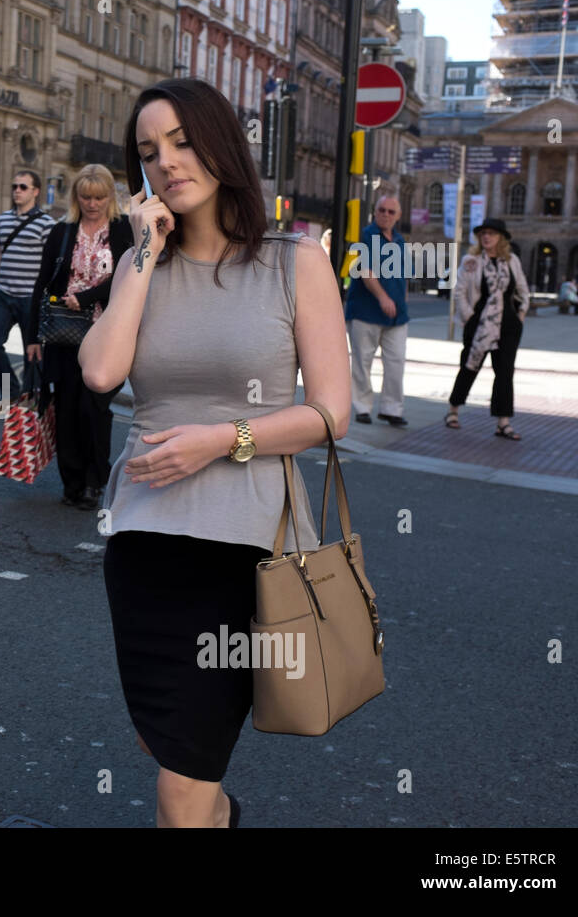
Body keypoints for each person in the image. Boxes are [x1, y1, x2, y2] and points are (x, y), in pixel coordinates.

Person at [79, 78, 350, 828]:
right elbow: (100, 373)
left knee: (181, 784)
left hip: (243, 554)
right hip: (142, 545)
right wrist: (141, 252)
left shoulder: (294, 263)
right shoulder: (146, 268)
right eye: (148, 151)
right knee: (165, 748)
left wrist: (220, 441)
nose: (166, 162)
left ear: (221, 144)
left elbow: (333, 413)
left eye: (182, 142)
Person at [25, 164, 134, 510]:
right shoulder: (62, 232)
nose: (92, 203)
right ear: (76, 198)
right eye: (85, 197)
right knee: (68, 411)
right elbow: (42, 284)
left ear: (110, 197)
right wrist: (31, 338)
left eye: (99, 197)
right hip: (62, 336)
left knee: (94, 409)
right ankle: (71, 481)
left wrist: (85, 298)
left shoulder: (123, 231)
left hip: (106, 335)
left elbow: (129, 278)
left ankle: (93, 481)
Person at [444, 217, 529, 440]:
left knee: (505, 372)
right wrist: (469, 317)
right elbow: (460, 292)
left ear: (501, 237)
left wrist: (520, 315)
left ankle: (503, 422)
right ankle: (453, 409)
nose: (486, 237)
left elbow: (522, 290)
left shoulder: (512, 261)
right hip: (479, 323)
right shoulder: (471, 260)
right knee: (469, 366)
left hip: (508, 325)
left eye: (491, 233)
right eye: (483, 234)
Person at [0, 171, 57, 399]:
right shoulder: (3, 219)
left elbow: (50, 263)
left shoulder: (46, 224)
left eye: (23, 187)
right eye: (14, 186)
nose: (17, 190)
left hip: (30, 298)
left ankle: (29, 398)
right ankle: (12, 391)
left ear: (35, 191)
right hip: (3, 294)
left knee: (32, 352)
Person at [344, 193, 409, 426]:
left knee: (396, 362)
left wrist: (402, 299)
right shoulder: (365, 235)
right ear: (375, 212)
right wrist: (382, 297)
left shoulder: (400, 241)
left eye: (391, 212)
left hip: (397, 316)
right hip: (365, 310)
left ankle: (392, 409)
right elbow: (364, 270)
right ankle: (362, 407)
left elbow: (403, 275)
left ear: (398, 216)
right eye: (382, 210)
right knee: (363, 361)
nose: (386, 215)